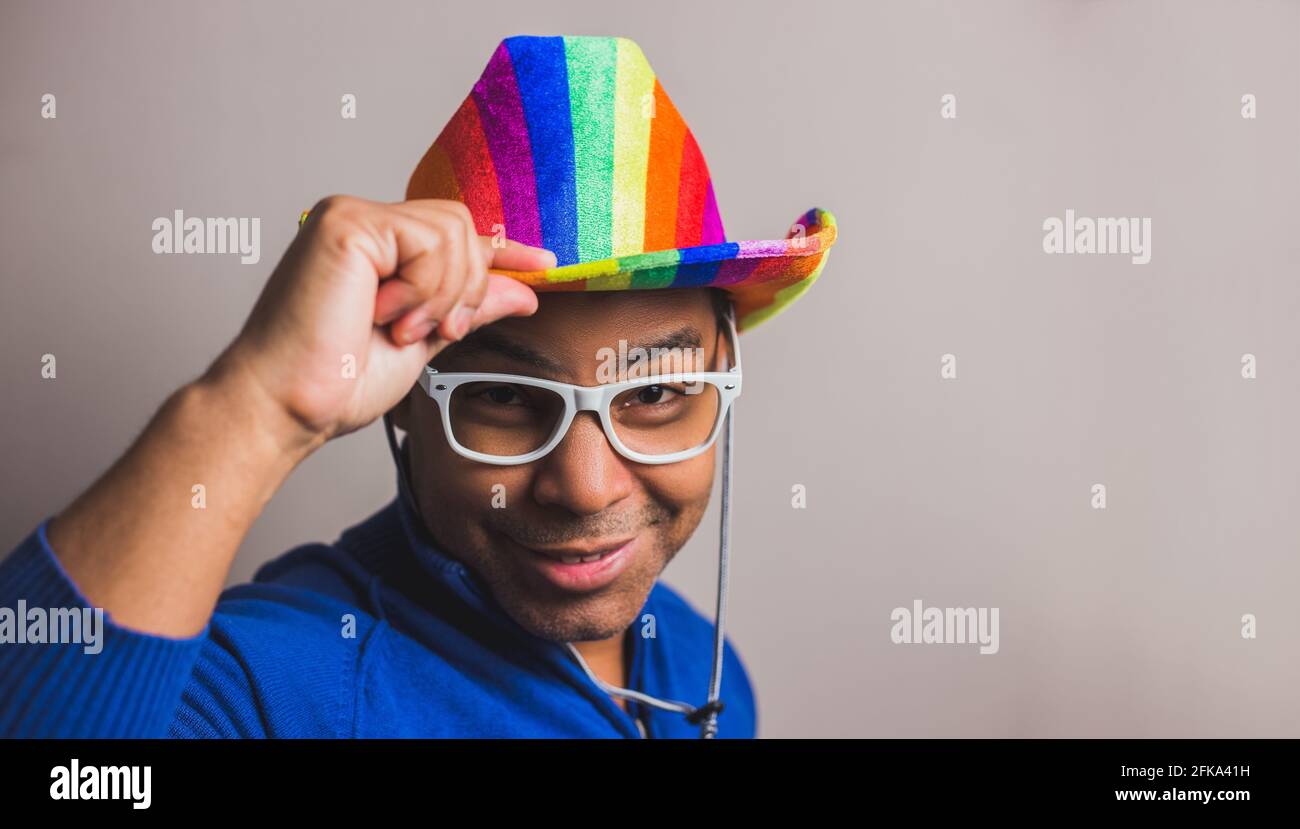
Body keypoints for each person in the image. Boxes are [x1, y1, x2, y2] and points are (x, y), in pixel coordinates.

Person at [0, 34, 837, 738]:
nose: (585, 487)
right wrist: (259, 406)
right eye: (505, 396)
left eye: (655, 393)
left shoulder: (702, 664)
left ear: (725, 375)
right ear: (405, 398)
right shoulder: (284, 685)